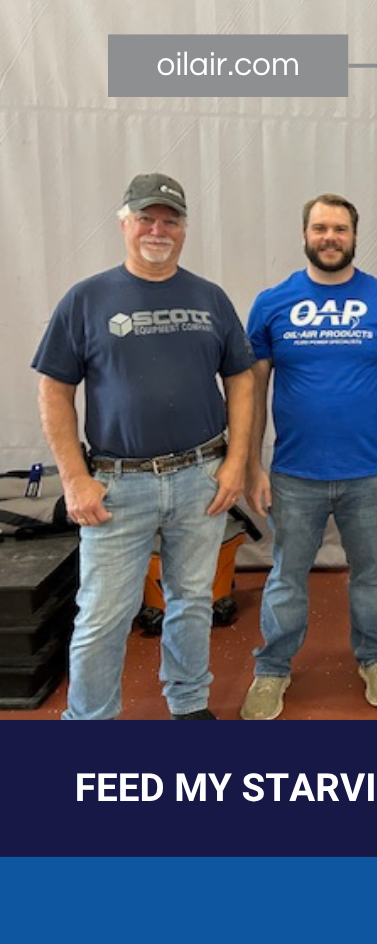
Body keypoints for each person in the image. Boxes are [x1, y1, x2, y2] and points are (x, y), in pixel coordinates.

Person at [32, 173, 255, 720]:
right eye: (147, 218)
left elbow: (243, 379)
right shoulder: (85, 299)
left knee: (192, 600)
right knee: (103, 615)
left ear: (183, 229)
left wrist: (237, 464)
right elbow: (54, 389)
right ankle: (89, 724)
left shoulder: (210, 298)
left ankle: (188, 704)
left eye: (170, 220)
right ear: (125, 223)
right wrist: (73, 478)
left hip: (200, 475)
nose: (158, 229)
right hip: (115, 485)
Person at [240, 194, 377, 719]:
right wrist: (250, 463)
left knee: (370, 575)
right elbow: (251, 388)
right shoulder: (272, 302)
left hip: (370, 473)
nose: (330, 237)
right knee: (286, 577)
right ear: (305, 235)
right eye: (320, 228)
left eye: (340, 229)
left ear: (355, 236)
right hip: (295, 474)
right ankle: (272, 669)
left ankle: (375, 658)